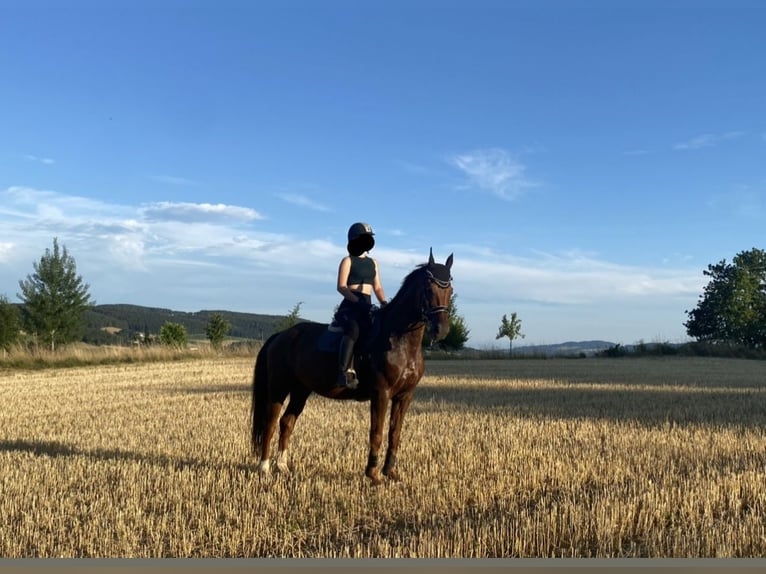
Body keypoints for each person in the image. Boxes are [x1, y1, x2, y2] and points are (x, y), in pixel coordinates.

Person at [334, 222, 387, 388]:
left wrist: (384, 303)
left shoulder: (374, 263)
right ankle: (342, 373)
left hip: (368, 303)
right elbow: (341, 287)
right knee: (354, 330)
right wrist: (358, 303)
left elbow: (377, 286)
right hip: (350, 304)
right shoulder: (347, 260)